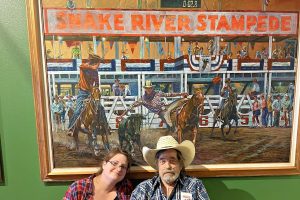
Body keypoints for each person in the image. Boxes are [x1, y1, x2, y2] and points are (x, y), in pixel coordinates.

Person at [130, 135, 210, 200]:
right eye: (163, 161)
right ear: (157, 165)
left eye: (172, 161)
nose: (168, 166)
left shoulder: (194, 186)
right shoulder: (144, 189)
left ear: (180, 164)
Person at [63, 148, 133, 200]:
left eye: (123, 166)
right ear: (104, 164)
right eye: (114, 163)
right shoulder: (79, 188)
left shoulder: (126, 188)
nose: (119, 169)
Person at [67, 54, 102, 136]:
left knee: (100, 108)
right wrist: (92, 67)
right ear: (94, 62)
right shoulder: (84, 67)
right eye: (98, 63)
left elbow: (97, 84)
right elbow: (81, 65)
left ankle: (105, 126)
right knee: (77, 111)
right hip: (82, 92)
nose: (98, 65)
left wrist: (96, 90)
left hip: (90, 93)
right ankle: (71, 128)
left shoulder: (95, 72)